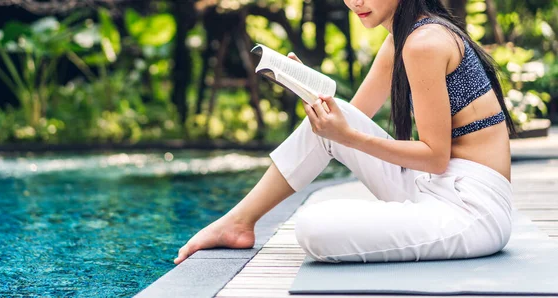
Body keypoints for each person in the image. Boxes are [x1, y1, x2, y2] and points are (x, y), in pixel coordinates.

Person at [173, 0, 517, 265]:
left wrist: (347, 135)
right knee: (324, 131)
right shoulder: (402, 38)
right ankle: (239, 222)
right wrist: (307, 86)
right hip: (433, 186)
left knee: (313, 227)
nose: (355, 2)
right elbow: (349, 117)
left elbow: (435, 157)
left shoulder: (424, 42)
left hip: (471, 209)